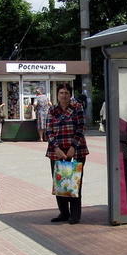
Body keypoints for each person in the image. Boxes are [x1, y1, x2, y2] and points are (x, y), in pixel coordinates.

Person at [46, 82, 88, 224]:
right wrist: (56, 148)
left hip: (76, 151)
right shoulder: (52, 110)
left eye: (66, 93)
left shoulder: (77, 108)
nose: (64, 96)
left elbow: (81, 127)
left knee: (74, 183)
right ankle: (64, 213)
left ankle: (75, 215)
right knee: (60, 183)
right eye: (61, 93)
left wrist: (73, 147)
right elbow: (49, 131)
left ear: (70, 95)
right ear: (57, 95)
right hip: (56, 152)